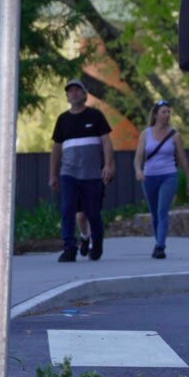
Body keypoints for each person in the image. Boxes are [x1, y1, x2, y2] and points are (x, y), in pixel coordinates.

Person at [50, 79, 115, 262]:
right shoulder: (62, 120)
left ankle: (97, 245)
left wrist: (109, 165)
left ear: (85, 94)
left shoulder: (95, 116)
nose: (74, 93)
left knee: (92, 212)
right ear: (67, 96)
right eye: (70, 91)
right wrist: (53, 174)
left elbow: (106, 142)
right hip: (68, 174)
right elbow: (56, 148)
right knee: (68, 209)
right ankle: (69, 248)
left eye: (78, 90)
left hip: (92, 174)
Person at [134, 99, 189, 259]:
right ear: (155, 114)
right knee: (154, 213)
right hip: (149, 177)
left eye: (169, 112)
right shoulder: (145, 134)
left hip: (169, 175)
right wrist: (138, 170)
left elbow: (183, 159)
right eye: (164, 112)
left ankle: (160, 245)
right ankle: (158, 241)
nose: (167, 115)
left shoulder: (175, 135)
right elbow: (138, 157)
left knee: (162, 210)